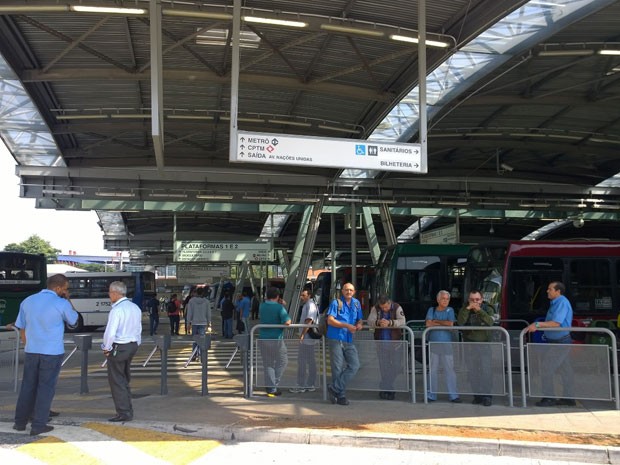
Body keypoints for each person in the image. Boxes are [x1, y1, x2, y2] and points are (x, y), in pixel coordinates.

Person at [11, 274, 78, 436]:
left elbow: (21, 326)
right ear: (58, 288)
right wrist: (68, 300)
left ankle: (20, 422)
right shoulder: (61, 303)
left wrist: (27, 344)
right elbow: (74, 321)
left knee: (28, 386)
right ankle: (38, 425)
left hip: (31, 350)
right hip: (51, 352)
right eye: (65, 289)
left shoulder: (27, 301)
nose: (66, 291)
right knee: (45, 388)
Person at [527, 281, 575, 407]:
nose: (547, 291)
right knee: (565, 370)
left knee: (546, 368)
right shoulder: (556, 303)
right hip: (557, 341)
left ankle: (549, 398)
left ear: (558, 291)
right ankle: (569, 398)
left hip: (560, 342)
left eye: (550, 289)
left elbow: (556, 323)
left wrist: (537, 325)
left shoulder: (562, 303)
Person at [102, 281, 142, 422]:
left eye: (109, 292)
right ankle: (127, 408)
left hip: (119, 346)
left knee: (116, 380)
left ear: (114, 293)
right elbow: (139, 328)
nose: (109, 295)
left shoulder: (116, 310)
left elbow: (110, 332)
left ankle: (124, 412)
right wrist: (137, 343)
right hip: (132, 345)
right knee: (124, 378)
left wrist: (106, 348)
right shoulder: (135, 307)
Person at [326, 282, 363, 406]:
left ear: (354, 292)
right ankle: (340, 396)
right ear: (342, 291)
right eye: (346, 290)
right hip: (335, 338)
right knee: (337, 367)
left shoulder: (357, 303)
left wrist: (359, 324)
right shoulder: (336, 303)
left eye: (351, 290)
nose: (348, 292)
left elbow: (360, 319)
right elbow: (330, 320)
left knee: (355, 365)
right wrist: (346, 325)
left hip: (348, 339)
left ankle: (334, 388)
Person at [457, 290, 495, 406]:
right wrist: (468, 309)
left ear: (482, 299)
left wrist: (479, 311)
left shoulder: (487, 308)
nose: (475, 302)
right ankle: (477, 396)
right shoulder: (465, 309)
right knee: (473, 372)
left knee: (486, 371)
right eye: (472, 300)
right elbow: (460, 322)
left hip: (484, 345)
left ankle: (487, 396)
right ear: (469, 300)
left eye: (477, 299)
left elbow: (490, 322)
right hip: (469, 346)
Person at [367, 294, 406, 400]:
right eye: (382, 307)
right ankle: (388, 390)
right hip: (381, 343)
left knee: (397, 366)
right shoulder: (376, 309)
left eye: (386, 307)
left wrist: (390, 323)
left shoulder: (397, 307)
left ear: (390, 303)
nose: (384, 309)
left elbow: (403, 321)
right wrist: (378, 322)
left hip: (395, 344)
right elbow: (370, 321)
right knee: (384, 368)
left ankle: (384, 386)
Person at [426, 290, 460, 403]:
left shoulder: (450, 310)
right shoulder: (431, 309)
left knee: (450, 370)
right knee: (432, 370)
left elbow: (450, 324)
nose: (445, 301)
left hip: (447, 345)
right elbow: (428, 324)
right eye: (443, 299)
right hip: (433, 344)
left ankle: (453, 395)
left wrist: (436, 321)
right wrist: (442, 322)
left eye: (447, 299)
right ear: (438, 300)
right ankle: (431, 395)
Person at [259, 287, 291, 397]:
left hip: (263, 338)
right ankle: (273, 385)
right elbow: (287, 321)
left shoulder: (262, 306)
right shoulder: (279, 308)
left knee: (268, 363)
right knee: (283, 361)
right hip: (276, 339)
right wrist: (282, 306)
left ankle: (270, 386)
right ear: (277, 297)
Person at [290, 289, 319, 393]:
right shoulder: (311, 304)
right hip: (309, 339)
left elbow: (309, 320)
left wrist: (302, 334)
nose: (301, 297)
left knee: (302, 361)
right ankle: (310, 384)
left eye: (303, 295)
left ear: (309, 295)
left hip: (307, 338)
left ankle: (301, 384)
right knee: (310, 361)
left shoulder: (310, 305)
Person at [186, 287, 211, 360]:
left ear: (196, 293)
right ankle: (202, 355)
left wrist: (188, 323)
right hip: (203, 323)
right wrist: (209, 322)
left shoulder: (191, 301)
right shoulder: (206, 302)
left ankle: (194, 354)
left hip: (194, 322)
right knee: (202, 340)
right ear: (203, 293)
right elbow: (208, 313)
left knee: (195, 340)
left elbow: (189, 313)